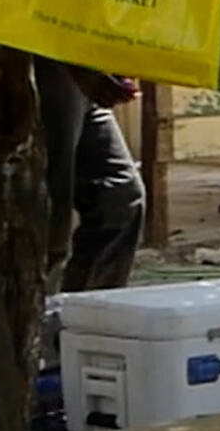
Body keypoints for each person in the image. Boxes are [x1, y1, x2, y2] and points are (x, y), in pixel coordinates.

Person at [35, 57, 145, 293]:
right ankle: (39, 317)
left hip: (79, 62)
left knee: (120, 197)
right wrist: (79, 68)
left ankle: (88, 315)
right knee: (50, 214)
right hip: (36, 59)